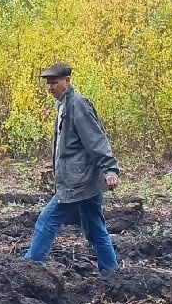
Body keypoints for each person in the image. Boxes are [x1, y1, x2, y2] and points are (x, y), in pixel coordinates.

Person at [23, 62, 121, 272]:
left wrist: (110, 169)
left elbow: (96, 140)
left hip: (77, 182)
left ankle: (28, 268)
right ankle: (111, 273)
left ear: (67, 81)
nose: (50, 88)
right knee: (95, 228)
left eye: (54, 83)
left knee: (46, 221)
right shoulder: (63, 105)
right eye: (48, 84)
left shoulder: (78, 105)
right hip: (82, 180)